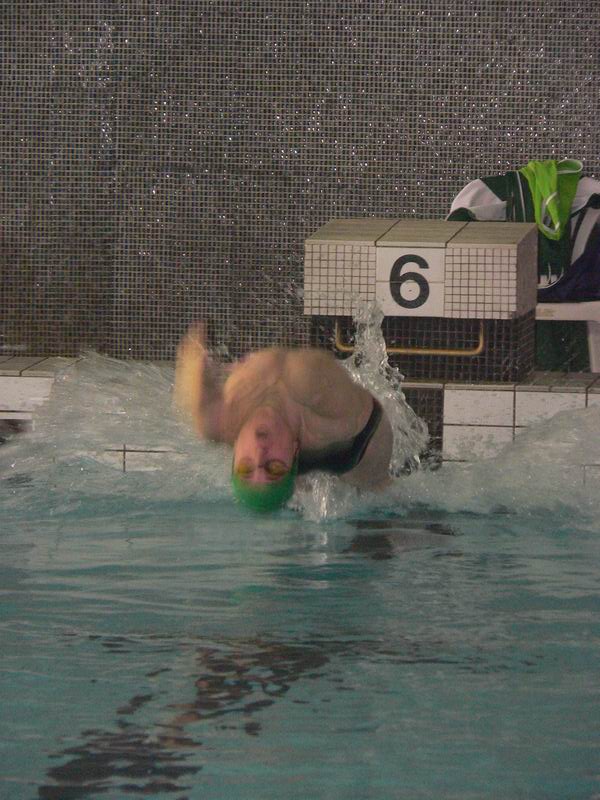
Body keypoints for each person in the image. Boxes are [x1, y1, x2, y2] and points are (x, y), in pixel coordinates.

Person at [173, 323, 393, 511]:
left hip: (336, 438)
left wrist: (204, 367)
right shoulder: (321, 409)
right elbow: (309, 363)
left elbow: (194, 340)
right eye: (274, 468)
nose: (259, 454)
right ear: (295, 452)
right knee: (376, 495)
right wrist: (263, 372)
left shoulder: (213, 421)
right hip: (360, 445)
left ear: (235, 452)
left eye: (245, 469)